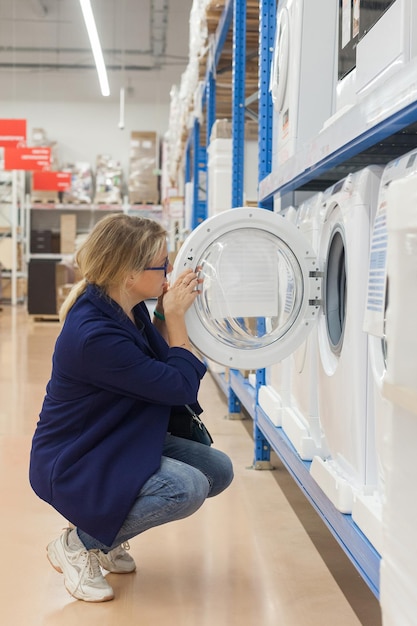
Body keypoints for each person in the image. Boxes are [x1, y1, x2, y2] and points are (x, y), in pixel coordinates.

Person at [29, 213, 234, 603]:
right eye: (163, 265)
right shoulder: (94, 334)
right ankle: (77, 543)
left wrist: (160, 313)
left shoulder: (124, 305)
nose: (170, 271)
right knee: (185, 489)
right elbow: (176, 387)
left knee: (217, 470)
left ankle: (106, 533)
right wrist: (174, 317)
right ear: (128, 272)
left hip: (120, 434)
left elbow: (154, 365)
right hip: (78, 456)